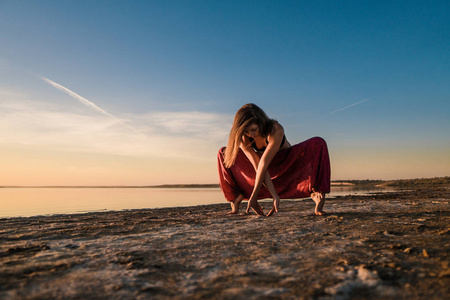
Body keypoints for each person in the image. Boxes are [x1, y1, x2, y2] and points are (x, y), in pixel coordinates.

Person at [217, 103, 331, 217]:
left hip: (288, 167)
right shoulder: (243, 137)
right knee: (223, 153)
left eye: (253, 129)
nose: (250, 134)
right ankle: (235, 199)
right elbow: (258, 165)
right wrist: (259, 196)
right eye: (246, 131)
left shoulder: (275, 129)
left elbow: (263, 163)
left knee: (318, 142)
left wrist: (268, 196)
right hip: (264, 174)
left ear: (261, 121)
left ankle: (317, 193)